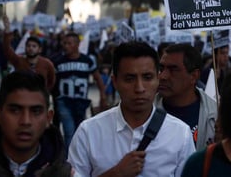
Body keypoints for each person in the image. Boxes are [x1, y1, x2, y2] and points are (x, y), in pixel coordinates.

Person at [68, 41, 195, 176]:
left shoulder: (180, 134)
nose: (139, 88)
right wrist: (116, 173)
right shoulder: (89, 132)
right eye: (130, 79)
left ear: (158, 79)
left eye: (147, 77)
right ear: (115, 82)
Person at [0, 70, 72, 176]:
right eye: (15, 110)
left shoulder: (66, 173)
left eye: (36, 111)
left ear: (48, 118)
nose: (25, 121)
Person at [155, 43, 217, 150]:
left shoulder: (216, 115)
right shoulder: (145, 112)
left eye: (173, 69)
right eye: (161, 69)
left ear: (194, 76)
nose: (163, 76)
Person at [52, 32, 107, 152]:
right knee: (69, 131)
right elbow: (51, 81)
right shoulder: (58, 62)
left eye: (69, 43)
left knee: (80, 131)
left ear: (77, 44)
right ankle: (69, 161)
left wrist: (103, 95)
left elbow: (97, 78)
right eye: (64, 43)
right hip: (64, 101)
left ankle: (79, 157)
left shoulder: (87, 61)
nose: (65, 46)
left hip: (81, 102)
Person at [3, 15, 55, 92]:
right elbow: (7, 50)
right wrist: (7, 30)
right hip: (22, 97)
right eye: (28, 46)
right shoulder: (19, 60)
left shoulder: (47, 64)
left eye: (34, 46)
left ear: (39, 49)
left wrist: (44, 93)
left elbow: (51, 81)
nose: (31, 48)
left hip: (39, 99)